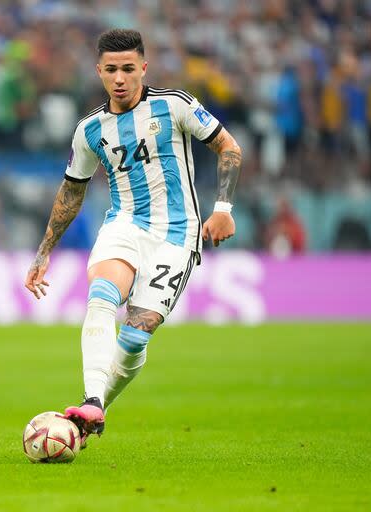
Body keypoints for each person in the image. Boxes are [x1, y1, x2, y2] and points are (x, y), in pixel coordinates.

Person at [24, 29, 242, 443]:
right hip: (124, 224)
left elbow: (228, 147)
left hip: (178, 235)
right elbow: (72, 190)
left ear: (143, 68)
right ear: (99, 72)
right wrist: (43, 251)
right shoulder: (90, 130)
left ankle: (97, 408)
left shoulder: (174, 105)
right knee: (102, 295)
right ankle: (90, 398)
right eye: (111, 70)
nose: (120, 78)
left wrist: (224, 208)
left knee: (136, 333)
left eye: (128, 68)